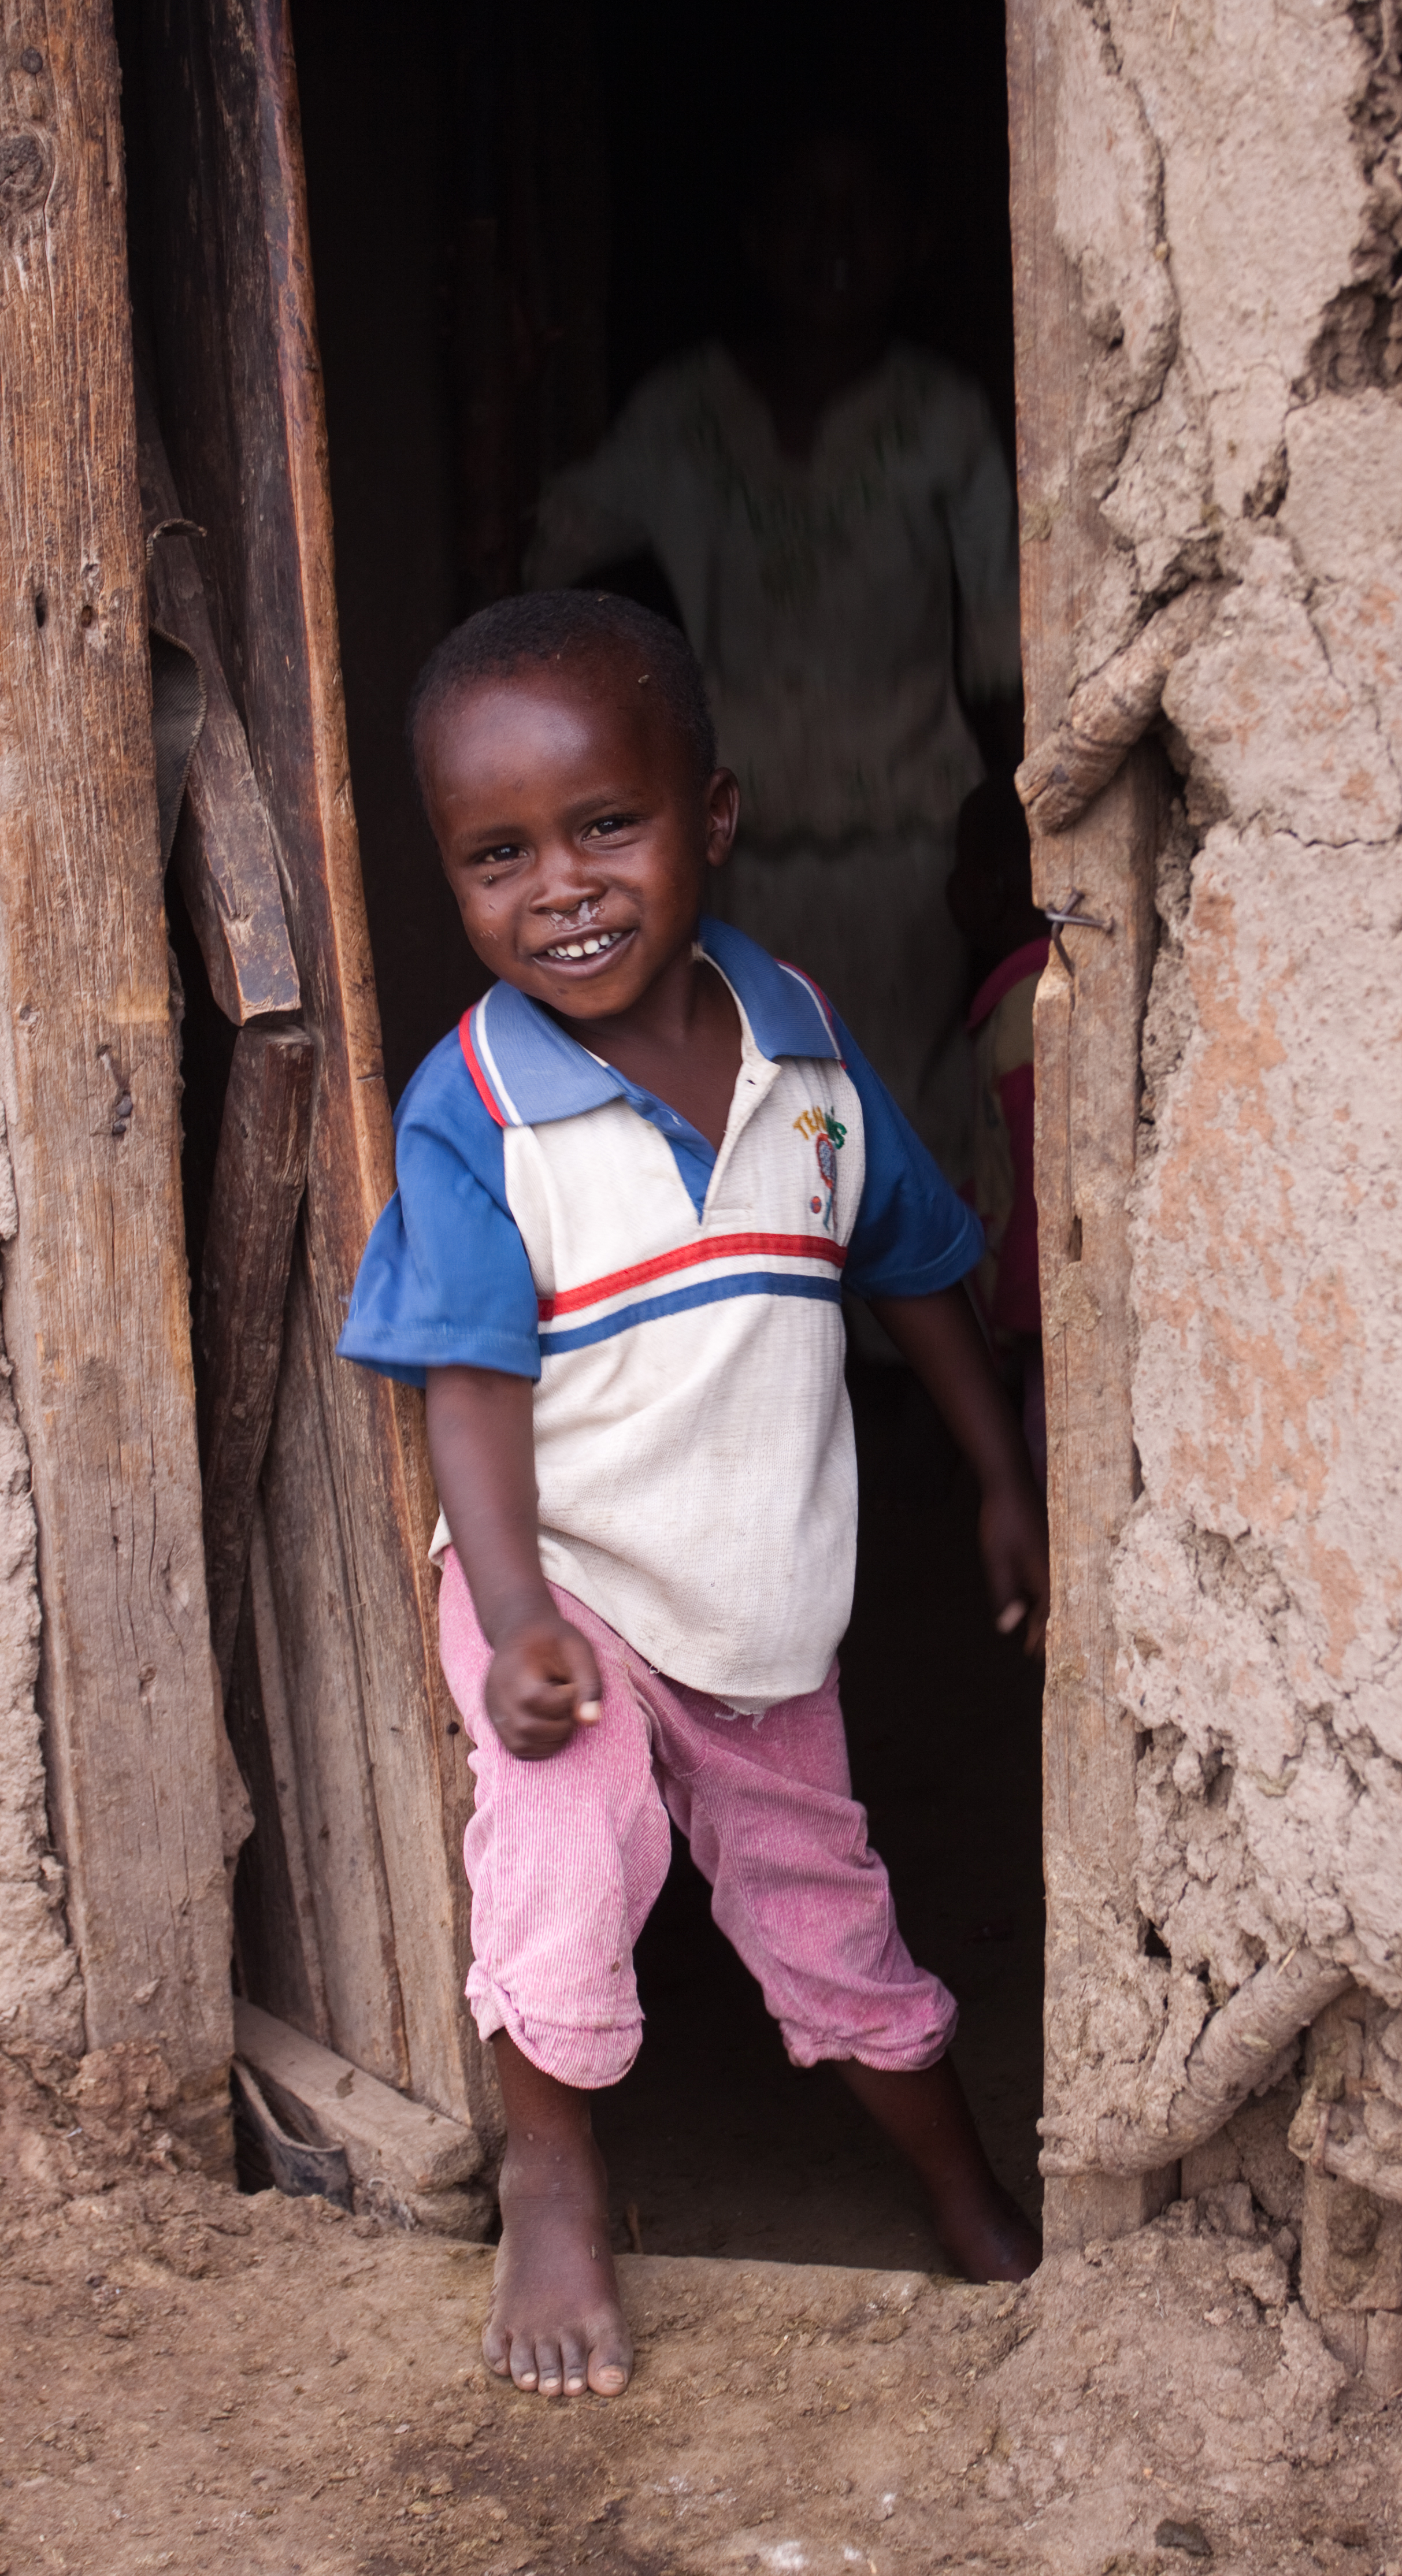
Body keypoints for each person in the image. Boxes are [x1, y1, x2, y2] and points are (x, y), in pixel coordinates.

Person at [337, 590, 1048, 2400]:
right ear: (448, 873)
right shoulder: (477, 1105)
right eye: (497, 856)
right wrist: (509, 1625)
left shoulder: (802, 1042)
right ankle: (555, 2177)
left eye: (607, 827)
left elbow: (911, 1261)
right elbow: (470, 1392)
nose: (559, 886)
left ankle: (973, 2202)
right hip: (562, 1579)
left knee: (832, 1913)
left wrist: (998, 1476)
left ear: (712, 816)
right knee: (568, 1854)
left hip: (759, 1608)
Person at [522, 127, 1022, 1182]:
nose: (832, 241)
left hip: (909, 845)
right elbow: (549, 555)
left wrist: (996, 831)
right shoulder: (686, 413)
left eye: (865, 214)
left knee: (902, 1103)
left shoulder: (944, 419)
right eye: (802, 211)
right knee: (761, 1099)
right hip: (728, 847)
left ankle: (902, 1346)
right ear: (753, 239)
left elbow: (1002, 653)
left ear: (914, 240)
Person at [948, 776, 1051, 1490]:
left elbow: (1043, 1171)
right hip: (1034, 1327)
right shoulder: (1021, 1002)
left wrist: (1018, 1319)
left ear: (989, 887)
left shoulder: (1026, 1011)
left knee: (1049, 1475)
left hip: (1044, 1338)